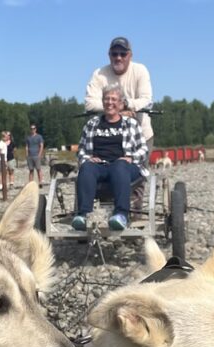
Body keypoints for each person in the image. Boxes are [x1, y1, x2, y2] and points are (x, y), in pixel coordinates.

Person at [73, 84, 148, 232]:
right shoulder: (92, 124)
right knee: (86, 167)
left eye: (114, 99)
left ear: (121, 104)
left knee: (119, 166)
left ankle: (121, 215)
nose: (110, 102)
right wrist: (87, 159)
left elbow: (143, 149)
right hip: (99, 166)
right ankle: (83, 215)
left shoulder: (131, 124)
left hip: (125, 166)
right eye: (107, 99)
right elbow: (81, 150)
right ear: (102, 102)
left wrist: (131, 157)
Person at [84, 36, 154, 149]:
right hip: (107, 139)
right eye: (114, 54)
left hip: (139, 137)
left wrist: (125, 104)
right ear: (109, 55)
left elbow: (147, 101)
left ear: (130, 55)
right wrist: (118, 112)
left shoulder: (140, 70)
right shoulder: (98, 74)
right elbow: (89, 104)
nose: (118, 57)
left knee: (139, 167)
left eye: (123, 54)